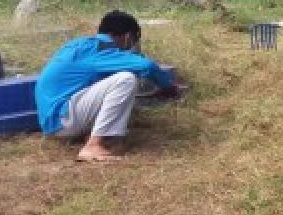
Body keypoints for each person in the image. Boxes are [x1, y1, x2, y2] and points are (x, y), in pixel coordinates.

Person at [35, 10, 179, 161]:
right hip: (63, 119)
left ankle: (91, 134)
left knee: (113, 78)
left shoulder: (80, 45)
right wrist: (168, 87)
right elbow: (147, 66)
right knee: (126, 79)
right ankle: (92, 146)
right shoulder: (102, 51)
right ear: (128, 37)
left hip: (54, 118)